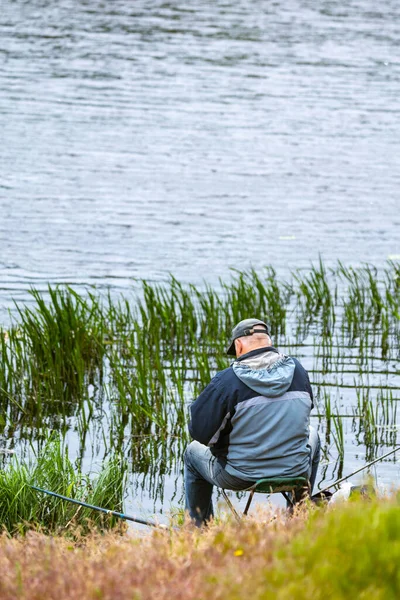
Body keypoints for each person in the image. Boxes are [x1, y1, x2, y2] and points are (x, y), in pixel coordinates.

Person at [184, 318, 320, 526]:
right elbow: (304, 415)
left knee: (192, 453)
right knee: (314, 435)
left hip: (239, 476)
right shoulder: (299, 372)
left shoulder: (226, 382)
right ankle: (298, 517)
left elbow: (199, 433)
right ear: (268, 342)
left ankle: (198, 529)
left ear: (238, 345)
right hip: (295, 472)